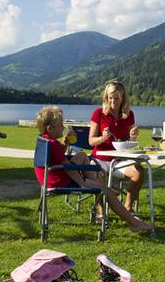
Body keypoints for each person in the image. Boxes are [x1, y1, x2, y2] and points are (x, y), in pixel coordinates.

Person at [34, 106, 151, 232]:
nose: (63, 127)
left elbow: (57, 157)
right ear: (50, 128)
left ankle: (96, 185)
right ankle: (134, 223)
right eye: (60, 125)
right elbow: (68, 168)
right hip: (61, 180)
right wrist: (82, 183)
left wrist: (66, 142)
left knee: (82, 155)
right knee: (106, 191)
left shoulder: (44, 140)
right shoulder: (53, 144)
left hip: (50, 177)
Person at [89, 81, 143, 212]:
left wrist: (133, 135)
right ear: (106, 97)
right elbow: (91, 141)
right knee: (96, 173)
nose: (113, 101)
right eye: (110, 98)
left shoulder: (129, 115)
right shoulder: (99, 113)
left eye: (116, 98)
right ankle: (100, 211)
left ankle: (127, 208)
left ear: (123, 98)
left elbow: (129, 139)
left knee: (139, 171)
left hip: (119, 160)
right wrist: (102, 138)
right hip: (100, 159)